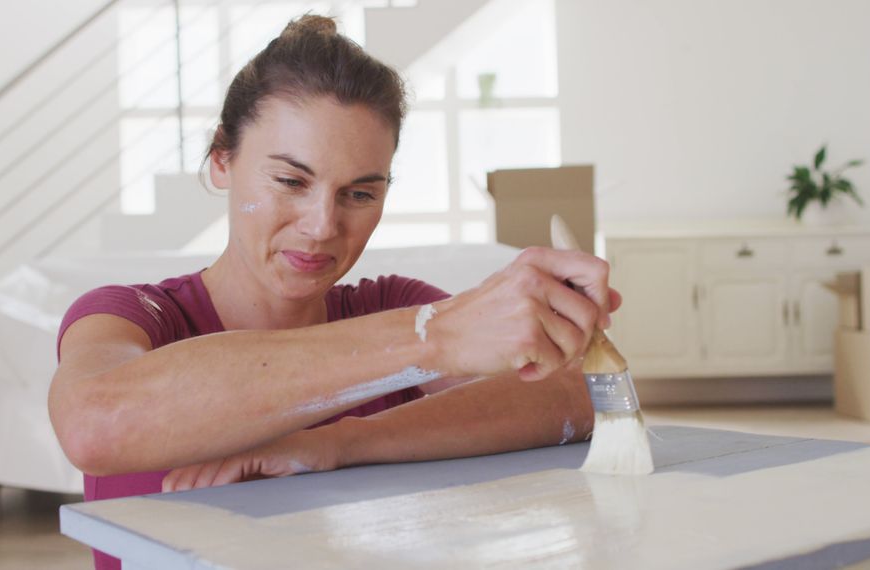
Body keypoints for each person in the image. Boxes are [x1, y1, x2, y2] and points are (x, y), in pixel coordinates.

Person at [49, 14, 619, 570]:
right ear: (222, 158)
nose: (323, 225)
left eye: (360, 194)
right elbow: (94, 423)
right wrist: (434, 337)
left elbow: (572, 397)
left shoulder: (391, 305)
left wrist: (337, 443)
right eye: (291, 181)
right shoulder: (133, 317)